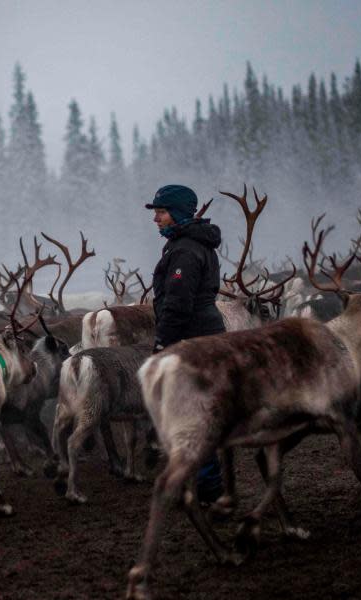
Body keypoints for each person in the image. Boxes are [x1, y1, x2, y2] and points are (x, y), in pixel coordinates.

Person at [145, 184, 226, 503]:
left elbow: (178, 304)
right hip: (204, 334)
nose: (156, 219)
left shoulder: (185, 251)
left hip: (194, 340)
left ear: (177, 214)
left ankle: (206, 487)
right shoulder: (190, 244)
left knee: (194, 412)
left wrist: (162, 344)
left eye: (161, 213)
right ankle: (204, 483)